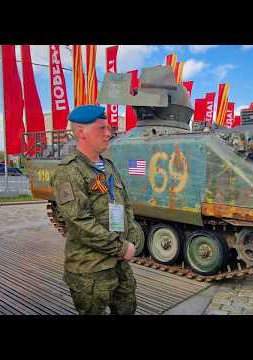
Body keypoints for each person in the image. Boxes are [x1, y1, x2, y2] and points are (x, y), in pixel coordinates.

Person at [50, 104, 143, 315]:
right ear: (81, 132)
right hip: (90, 269)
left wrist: (132, 237)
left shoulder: (108, 165)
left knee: (128, 308)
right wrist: (121, 248)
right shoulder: (70, 171)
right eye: (101, 128)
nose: (109, 132)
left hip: (118, 263)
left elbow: (123, 204)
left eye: (108, 127)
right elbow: (79, 223)